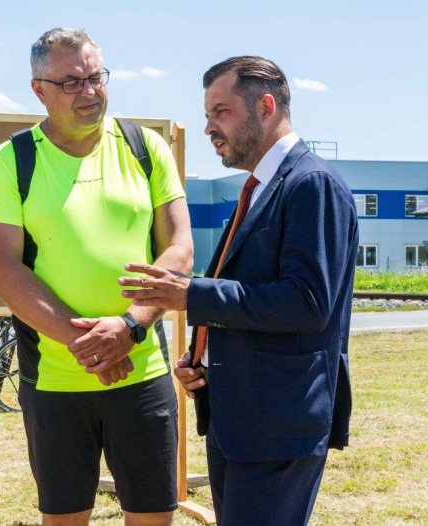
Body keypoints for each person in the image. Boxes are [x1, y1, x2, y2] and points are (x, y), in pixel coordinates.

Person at [119, 56, 357, 525]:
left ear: (266, 106)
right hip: (240, 422)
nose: (209, 127)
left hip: (277, 427)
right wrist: (202, 358)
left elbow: (307, 303)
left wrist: (192, 294)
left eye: (221, 111)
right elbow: (250, 292)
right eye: (208, 114)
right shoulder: (260, 189)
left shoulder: (311, 185)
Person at [0, 27, 193, 526]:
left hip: (142, 370)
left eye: (96, 77)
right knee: (66, 518)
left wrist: (130, 328)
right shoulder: (13, 160)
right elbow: (1, 270)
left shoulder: (145, 147)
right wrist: (91, 345)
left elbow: (179, 249)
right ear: (39, 90)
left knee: (155, 515)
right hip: (54, 380)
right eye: (72, 82)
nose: (90, 92)